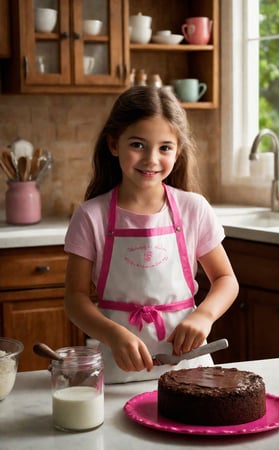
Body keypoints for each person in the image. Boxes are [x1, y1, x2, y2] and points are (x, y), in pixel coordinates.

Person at [64, 85, 239, 384]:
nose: (151, 159)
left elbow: (226, 280)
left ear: (178, 150)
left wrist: (203, 316)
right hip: (117, 368)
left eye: (165, 147)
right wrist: (113, 334)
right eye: (138, 145)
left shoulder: (193, 209)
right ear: (113, 144)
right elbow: (75, 298)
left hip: (188, 367)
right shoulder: (90, 216)